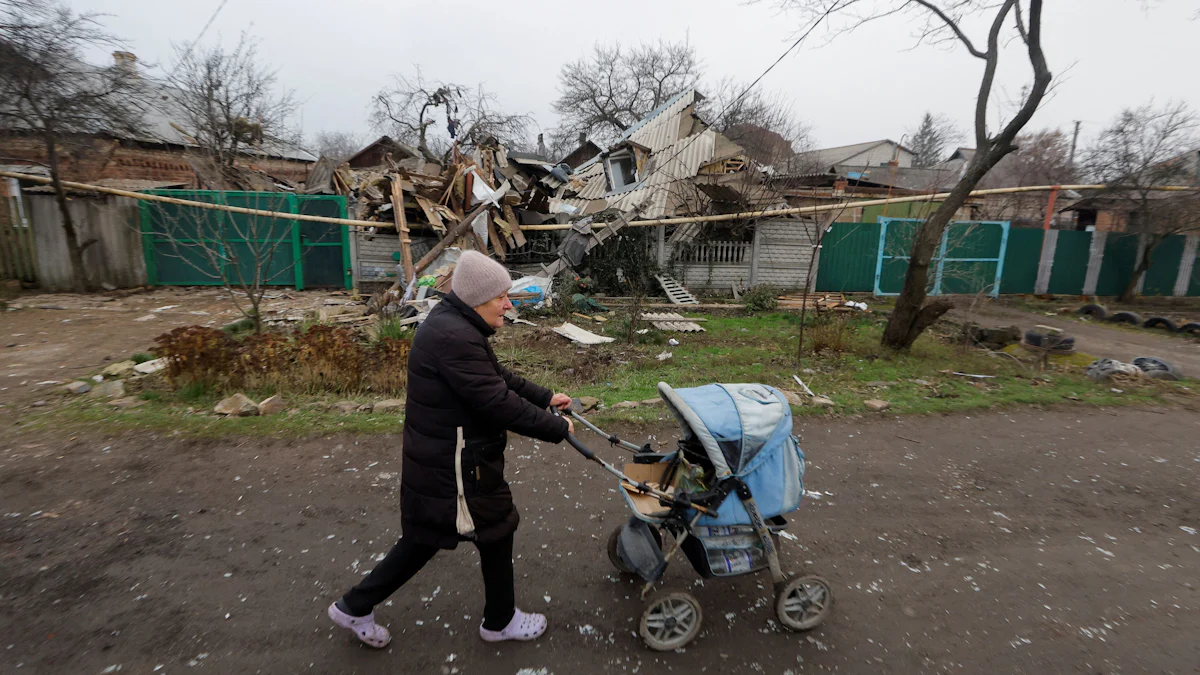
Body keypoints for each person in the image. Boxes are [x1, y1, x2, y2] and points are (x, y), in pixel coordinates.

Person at [328, 251, 574, 648]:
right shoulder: (455, 336)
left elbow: (497, 377)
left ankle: (355, 605)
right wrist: (555, 427)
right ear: (478, 298)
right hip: (459, 464)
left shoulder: (457, 325)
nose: (509, 304)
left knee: (430, 535)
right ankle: (500, 621)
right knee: (494, 527)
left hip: (446, 456)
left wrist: (546, 398)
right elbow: (497, 402)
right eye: (503, 297)